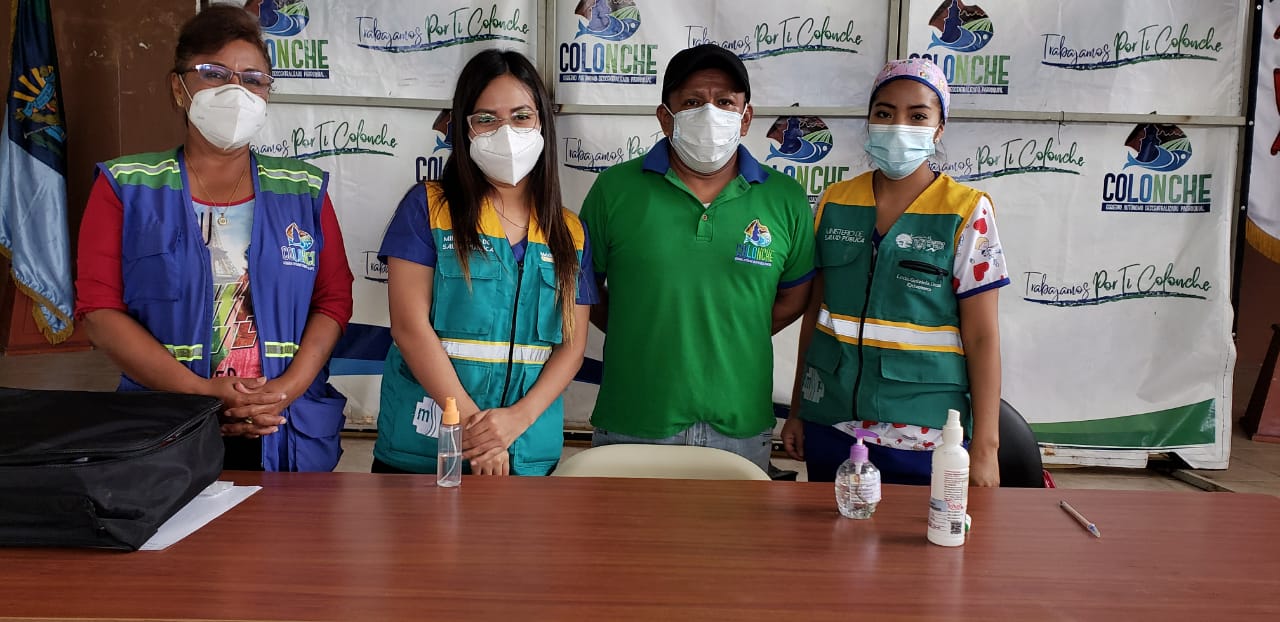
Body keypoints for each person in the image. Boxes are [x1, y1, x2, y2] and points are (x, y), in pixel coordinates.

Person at [74, 5, 354, 472]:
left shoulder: (303, 190)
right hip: (165, 427)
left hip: (284, 427)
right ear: (178, 87)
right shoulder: (126, 186)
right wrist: (202, 394)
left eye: (253, 80)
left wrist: (284, 390)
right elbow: (100, 311)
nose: (235, 91)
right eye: (214, 74)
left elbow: (334, 300)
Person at [579, 44, 816, 472]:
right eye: (692, 102)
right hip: (634, 418)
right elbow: (583, 291)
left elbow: (796, 297)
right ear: (664, 117)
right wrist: (640, 327)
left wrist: (732, 331)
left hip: (740, 425)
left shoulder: (786, 199)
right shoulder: (614, 190)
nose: (710, 112)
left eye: (725, 102)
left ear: (746, 118)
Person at [782, 59, 1009, 486]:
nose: (898, 126)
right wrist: (798, 409)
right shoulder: (835, 202)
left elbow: (983, 336)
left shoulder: (966, 212)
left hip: (925, 434)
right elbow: (815, 316)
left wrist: (985, 448)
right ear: (869, 121)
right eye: (884, 113)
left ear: (939, 128)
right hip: (833, 425)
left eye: (918, 115)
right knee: (829, 530)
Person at [373, 50, 596, 476]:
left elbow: (572, 347)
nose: (505, 131)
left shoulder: (570, 232)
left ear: (542, 124)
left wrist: (513, 423)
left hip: (526, 452)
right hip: (427, 449)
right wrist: (479, 433)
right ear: (465, 128)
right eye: (486, 119)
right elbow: (409, 327)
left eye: (521, 116)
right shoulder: (428, 208)